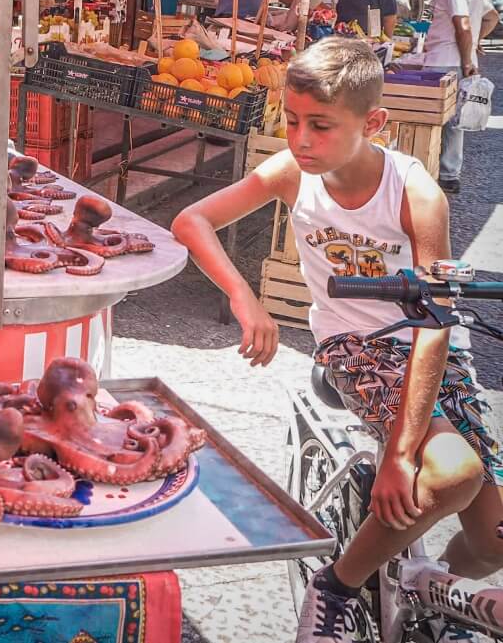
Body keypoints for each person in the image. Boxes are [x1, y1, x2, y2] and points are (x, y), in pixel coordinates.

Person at [171, 37, 502, 643]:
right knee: (455, 475)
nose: (300, 140)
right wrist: (247, 299)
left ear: (373, 122)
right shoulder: (293, 173)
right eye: (292, 121)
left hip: (431, 348)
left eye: (320, 126)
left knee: (492, 541)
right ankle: (340, 582)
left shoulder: (415, 194)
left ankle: (423, 591)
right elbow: (191, 221)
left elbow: (435, 319)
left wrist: (402, 451)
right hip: (355, 346)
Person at [422, 0, 499, 195]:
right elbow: (492, 17)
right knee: (454, 121)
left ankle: (436, 172)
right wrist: (475, 45)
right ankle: (449, 173)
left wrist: (466, 59)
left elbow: (462, 25)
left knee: (437, 119)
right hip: (456, 60)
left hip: (443, 61)